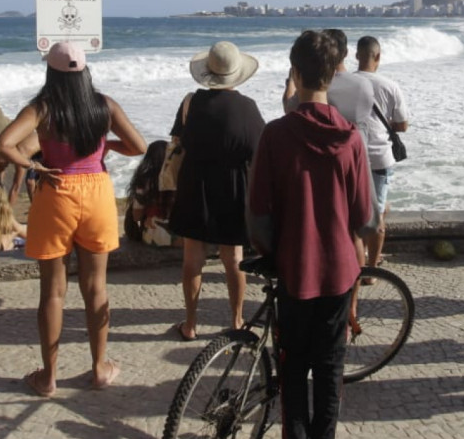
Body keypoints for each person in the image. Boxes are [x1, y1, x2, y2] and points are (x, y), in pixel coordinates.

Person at [0, 42, 146, 396]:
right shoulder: (103, 106)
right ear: (84, 72)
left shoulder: (43, 108)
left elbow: (3, 145)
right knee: (96, 288)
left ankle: (48, 377)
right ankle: (99, 369)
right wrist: (105, 147)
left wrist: (33, 165)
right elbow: (138, 145)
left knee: (53, 291)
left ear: (51, 72)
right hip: (96, 193)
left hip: (56, 188)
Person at [249, 30, 373, 439]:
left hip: (295, 269)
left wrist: (272, 251)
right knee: (329, 367)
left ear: (295, 73)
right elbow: (364, 217)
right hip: (340, 271)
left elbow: (259, 217)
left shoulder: (276, 134)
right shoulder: (351, 138)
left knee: (293, 368)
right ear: (331, 76)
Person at [167, 41, 266, 340]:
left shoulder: (189, 103)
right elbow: (259, 151)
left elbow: (175, 140)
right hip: (234, 186)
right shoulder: (248, 108)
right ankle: (236, 321)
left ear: (208, 72)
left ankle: (190, 324)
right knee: (233, 258)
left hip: (194, 182)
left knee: (192, 258)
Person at [353, 35, 410, 271]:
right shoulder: (389, 85)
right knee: (376, 216)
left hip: (351, 157)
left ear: (356, 55)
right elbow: (402, 125)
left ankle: (357, 261)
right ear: (378, 56)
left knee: (353, 214)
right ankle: (372, 269)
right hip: (379, 158)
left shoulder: (344, 83)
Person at [123, 139, 178, 247]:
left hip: (155, 237)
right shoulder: (180, 177)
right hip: (183, 236)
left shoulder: (145, 182)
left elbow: (136, 216)